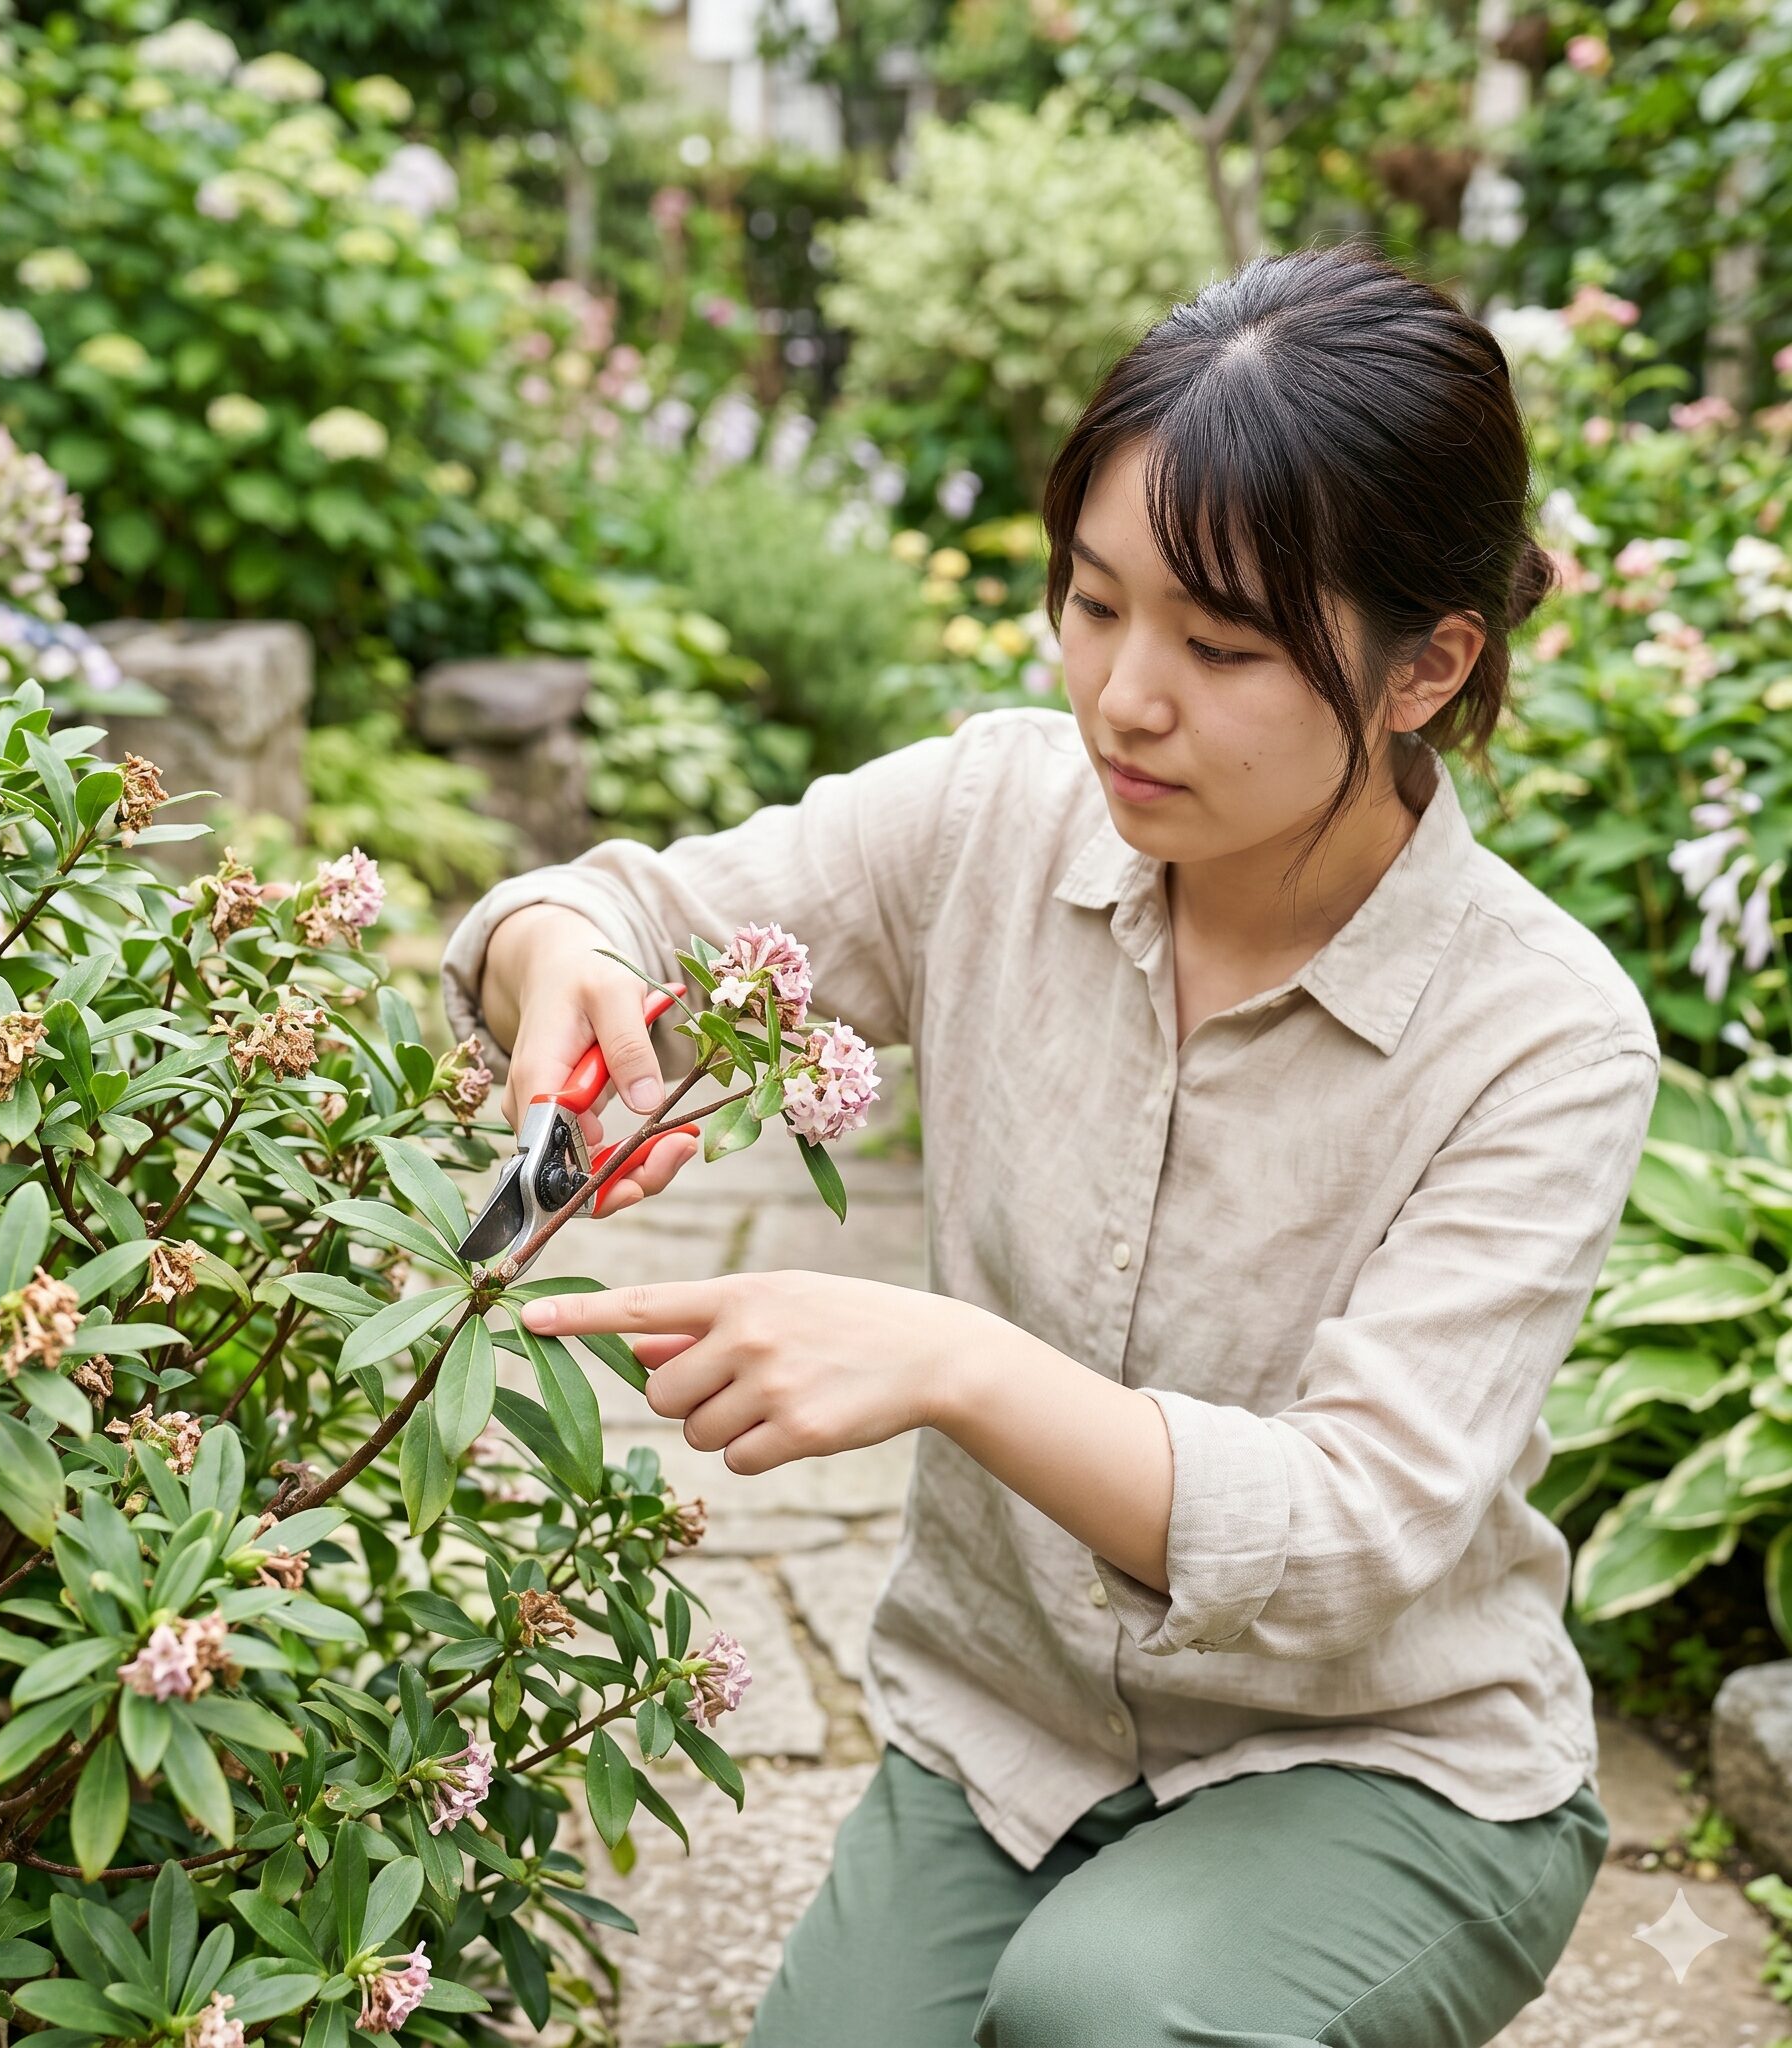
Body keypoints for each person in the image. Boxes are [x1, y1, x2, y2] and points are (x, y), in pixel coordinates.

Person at [437, 239, 1658, 2047]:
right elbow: (610, 913)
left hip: (1390, 1761)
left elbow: (1355, 1529)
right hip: (1007, 1744)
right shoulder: (991, 816)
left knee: (1108, 2013)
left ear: (1428, 666)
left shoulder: (1542, 1035)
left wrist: (953, 1364)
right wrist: (568, 968)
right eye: (1094, 604)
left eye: (1221, 645)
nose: (1125, 696)